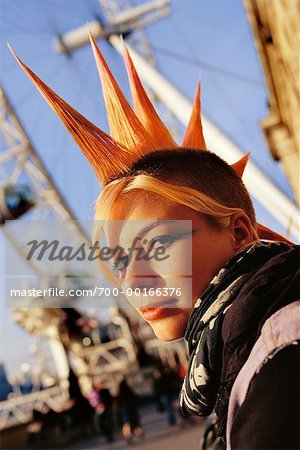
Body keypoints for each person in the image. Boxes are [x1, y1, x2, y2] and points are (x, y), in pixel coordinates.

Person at [10, 33, 299, 449]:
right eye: (119, 260)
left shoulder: (279, 361)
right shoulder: (242, 352)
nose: (134, 281)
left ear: (238, 232)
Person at [116, 379, 143, 444]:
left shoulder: (119, 393)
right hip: (131, 409)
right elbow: (135, 398)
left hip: (124, 410)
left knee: (126, 424)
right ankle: (139, 433)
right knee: (135, 422)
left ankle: (127, 436)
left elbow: (118, 403)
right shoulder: (128, 391)